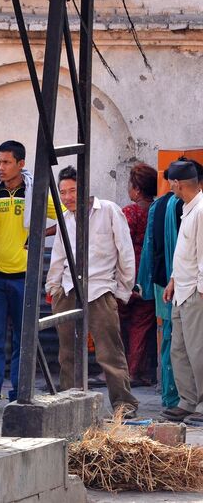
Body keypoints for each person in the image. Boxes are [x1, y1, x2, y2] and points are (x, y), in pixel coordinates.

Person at [45, 165, 139, 418]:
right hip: (67, 288)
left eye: (72, 190)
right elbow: (58, 254)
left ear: (85, 187)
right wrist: (53, 287)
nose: (67, 197)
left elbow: (125, 252)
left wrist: (123, 290)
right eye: (63, 192)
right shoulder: (66, 218)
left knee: (109, 352)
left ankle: (124, 404)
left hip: (100, 289)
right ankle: (69, 403)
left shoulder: (108, 211)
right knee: (67, 353)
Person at [0, 140, 59, 413]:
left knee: (24, 339)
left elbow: (69, 214)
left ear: (21, 164)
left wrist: (39, 236)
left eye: (6, 162)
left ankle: (20, 393)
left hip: (26, 277)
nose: (1, 167)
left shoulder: (34, 193)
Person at [162, 161, 203, 424]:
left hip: (196, 293)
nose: (169, 186)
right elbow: (186, 254)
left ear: (177, 184)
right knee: (180, 349)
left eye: (171, 182)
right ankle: (188, 401)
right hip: (182, 290)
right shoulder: (188, 209)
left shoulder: (201, 210)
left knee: (198, 350)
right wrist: (174, 280)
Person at [138, 168, 182, 410]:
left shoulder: (158, 207)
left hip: (161, 281)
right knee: (176, 338)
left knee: (168, 336)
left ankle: (170, 395)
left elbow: (148, 246)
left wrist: (144, 283)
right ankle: (175, 396)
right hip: (173, 282)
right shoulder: (181, 205)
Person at [118, 163, 159, 386]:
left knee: (119, 324)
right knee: (141, 326)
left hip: (128, 275)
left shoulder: (130, 212)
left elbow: (119, 245)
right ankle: (138, 372)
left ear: (136, 188)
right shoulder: (157, 210)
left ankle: (123, 371)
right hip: (150, 276)